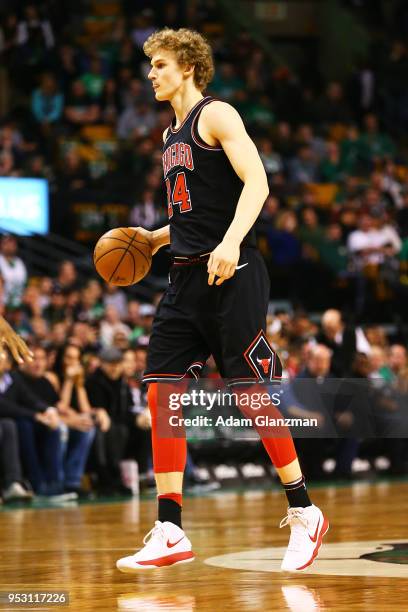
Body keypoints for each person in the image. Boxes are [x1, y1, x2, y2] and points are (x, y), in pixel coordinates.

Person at [116, 28, 328, 574]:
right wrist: (153, 238)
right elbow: (192, 214)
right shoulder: (169, 137)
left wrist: (231, 242)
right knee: (162, 390)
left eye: (159, 64)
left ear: (187, 66)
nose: (151, 74)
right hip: (184, 276)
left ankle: (305, 510)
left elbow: (256, 181)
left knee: (249, 394)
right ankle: (170, 527)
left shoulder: (217, 114)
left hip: (232, 271)